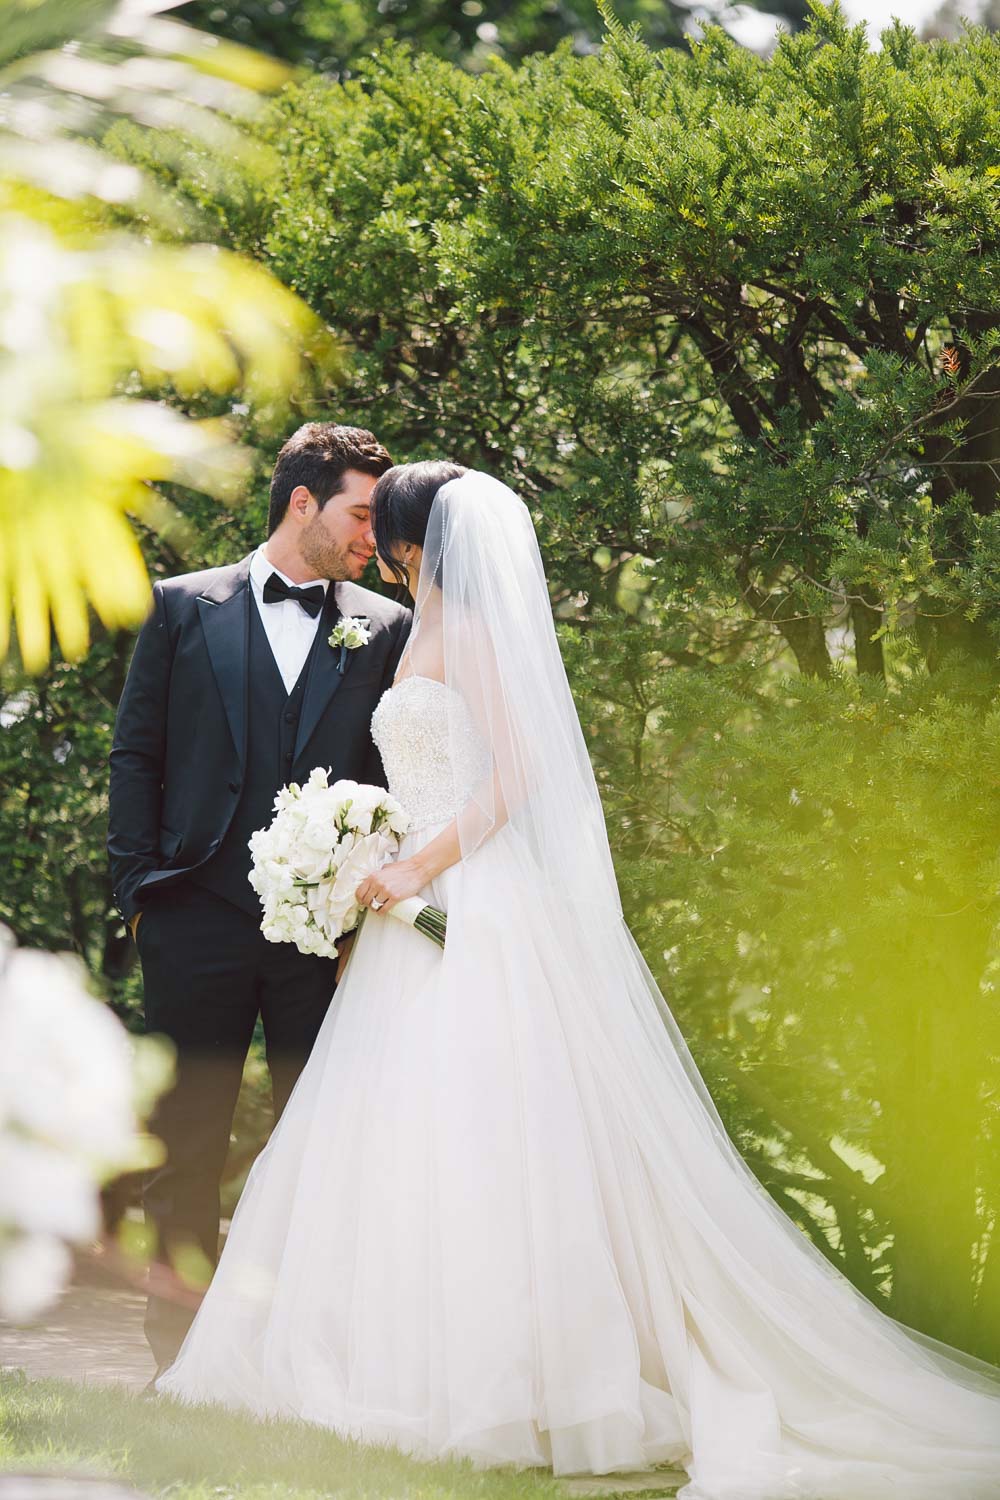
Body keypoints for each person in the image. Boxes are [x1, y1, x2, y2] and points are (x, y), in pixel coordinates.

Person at [156, 464, 1000, 1498]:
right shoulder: (410, 627)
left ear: (419, 538)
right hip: (404, 909)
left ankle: (513, 1386)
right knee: (402, 1135)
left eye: (390, 521)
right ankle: (395, 1363)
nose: (376, 536)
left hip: (473, 901)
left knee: (488, 1135)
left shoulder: (466, 633)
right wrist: (358, 849)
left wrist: (418, 865)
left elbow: (518, 771)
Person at [107, 424, 409, 1376]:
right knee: (185, 1140)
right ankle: (179, 1355)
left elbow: (393, 777)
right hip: (192, 915)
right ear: (302, 502)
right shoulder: (182, 606)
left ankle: (305, 1356)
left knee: (318, 1142)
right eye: (362, 514)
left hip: (323, 939)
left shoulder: (387, 626)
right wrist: (138, 893)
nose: (374, 536)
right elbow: (137, 752)